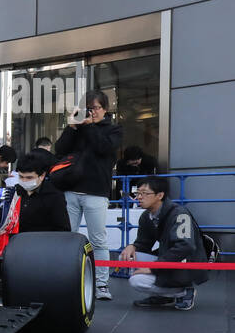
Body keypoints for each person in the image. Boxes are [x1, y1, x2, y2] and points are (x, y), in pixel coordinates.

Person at [54, 90, 122, 301]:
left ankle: (102, 283)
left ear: (105, 109)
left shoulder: (113, 129)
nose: (92, 112)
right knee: (67, 237)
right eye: (88, 108)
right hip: (71, 190)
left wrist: (89, 126)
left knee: (98, 239)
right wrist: (72, 127)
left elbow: (103, 148)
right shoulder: (79, 128)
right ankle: (64, 279)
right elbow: (60, 150)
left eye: (96, 108)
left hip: (96, 192)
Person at [122, 176, 207, 311]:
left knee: (136, 281)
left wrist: (153, 268)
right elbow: (143, 244)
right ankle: (164, 294)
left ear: (160, 195)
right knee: (129, 256)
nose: (139, 197)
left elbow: (186, 246)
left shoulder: (179, 214)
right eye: (137, 193)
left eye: (144, 193)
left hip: (186, 263)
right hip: (169, 258)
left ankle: (184, 292)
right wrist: (132, 246)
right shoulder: (146, 216)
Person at [0, 150, 71, 255]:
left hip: (42, 251)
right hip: (14, 249)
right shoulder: (14, 193)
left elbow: (63, 229)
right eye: (21, 177)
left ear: (42, 176)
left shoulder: (54, 196)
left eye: (29, 178)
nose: (25, 181)